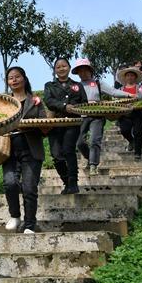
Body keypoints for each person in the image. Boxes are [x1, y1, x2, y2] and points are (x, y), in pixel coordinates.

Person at [3, 67, 47, 234]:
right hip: (8, 149)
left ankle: (29, 225)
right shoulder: (4, 101)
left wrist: (32, 124)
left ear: (24, 78)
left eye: (17, 77)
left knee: (29, 188)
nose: (14, 80)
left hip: (31, 148)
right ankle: (15, 216)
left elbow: (44, 124)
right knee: (10, 183)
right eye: (10, 78)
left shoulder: (35, 100)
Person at [72, 59, 134, 175]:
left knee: (95, 140)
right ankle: (89, 158)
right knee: (79, 142)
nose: (83, 73)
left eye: (85, 70)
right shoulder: (75, 86)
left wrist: (129, 94)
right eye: (80, 71)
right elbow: (72, 101)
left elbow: (113, 92)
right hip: (82, 117)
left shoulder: (98, 83)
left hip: (97, 116)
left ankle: (93, 165)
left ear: (90, 71)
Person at [44, 57, 88, 194]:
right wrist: (64, 106)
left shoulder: (77, 85)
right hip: (55, 124)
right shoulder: (49, 86)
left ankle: (73, 183)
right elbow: (49, 101)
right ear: (55, 70)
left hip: (72, 123)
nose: (61, 68)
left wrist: (74, 108)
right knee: (56, 154)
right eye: (58, 67)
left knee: (68, 150)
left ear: (69, 68)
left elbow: (84, 102)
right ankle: (66, 182)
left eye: (64, 66)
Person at [117, 67, 142, 160]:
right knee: (124, 130)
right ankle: (131, 141)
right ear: (125, 77)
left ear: (135, 77)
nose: (130, 77)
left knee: (137, 132)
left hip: (138, 113)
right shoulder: (120, 89)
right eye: (128, 75)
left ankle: (137, 153)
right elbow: (117, 101)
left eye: (132, 75)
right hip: (125, 114)